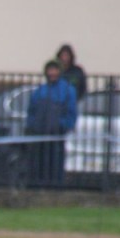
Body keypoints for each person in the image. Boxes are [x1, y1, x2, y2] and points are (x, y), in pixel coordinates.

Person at [24, 60, 78, 188]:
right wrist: (31, 126)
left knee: (55, 162)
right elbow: (32, 111)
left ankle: (55, 186)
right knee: (38, 162)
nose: (52, 73)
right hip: (39, 133)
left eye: (55, 69)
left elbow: (72, 112)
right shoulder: (40, 90)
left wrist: (63, 125)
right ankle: (38, 185)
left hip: (56, 133)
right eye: (50, 70)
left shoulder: (67, 90)